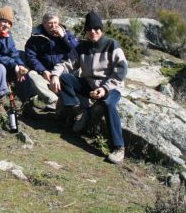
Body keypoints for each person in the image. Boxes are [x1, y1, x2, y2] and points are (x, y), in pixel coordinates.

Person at [50, 11, 128, 164]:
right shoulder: (81, 47)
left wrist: (105, 88)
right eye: (89, 29)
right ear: (85, 31)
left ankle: (119, 147)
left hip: (111, 87)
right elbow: (66, 63)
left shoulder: (112, 45)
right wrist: (54, 75)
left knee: (108, 104)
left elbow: (122, 69)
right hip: (89, 85)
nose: (93, 32)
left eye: (96, 28)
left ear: (101, 29)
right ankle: (77, 110)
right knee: (65, 77)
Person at [24, 12, 78, 113]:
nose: (53, 26)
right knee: (32, 74)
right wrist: (43, 70)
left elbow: (76, 51)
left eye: (55, 23)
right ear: (43, 24)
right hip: (46, 74)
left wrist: (63, 37)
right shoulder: (36, 38)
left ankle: (74, 103)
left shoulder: (67, 34)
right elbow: (30, 57)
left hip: (65, 72)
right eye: (50, 23)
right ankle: (54, 101)